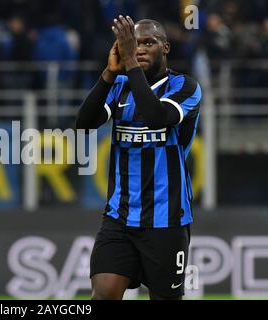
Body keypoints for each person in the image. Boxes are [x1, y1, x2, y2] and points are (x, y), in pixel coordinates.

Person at [76, 16, 202, 300]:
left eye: (149, 43)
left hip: (166, 220)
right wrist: (109, 73)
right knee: (103, 295)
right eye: (134, 43)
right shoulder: (120, 86)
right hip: (119, 218)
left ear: (166, 48)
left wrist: (130, 61)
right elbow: (83, 124)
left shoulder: (186, 87)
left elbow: (157, 118)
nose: (140, 49)